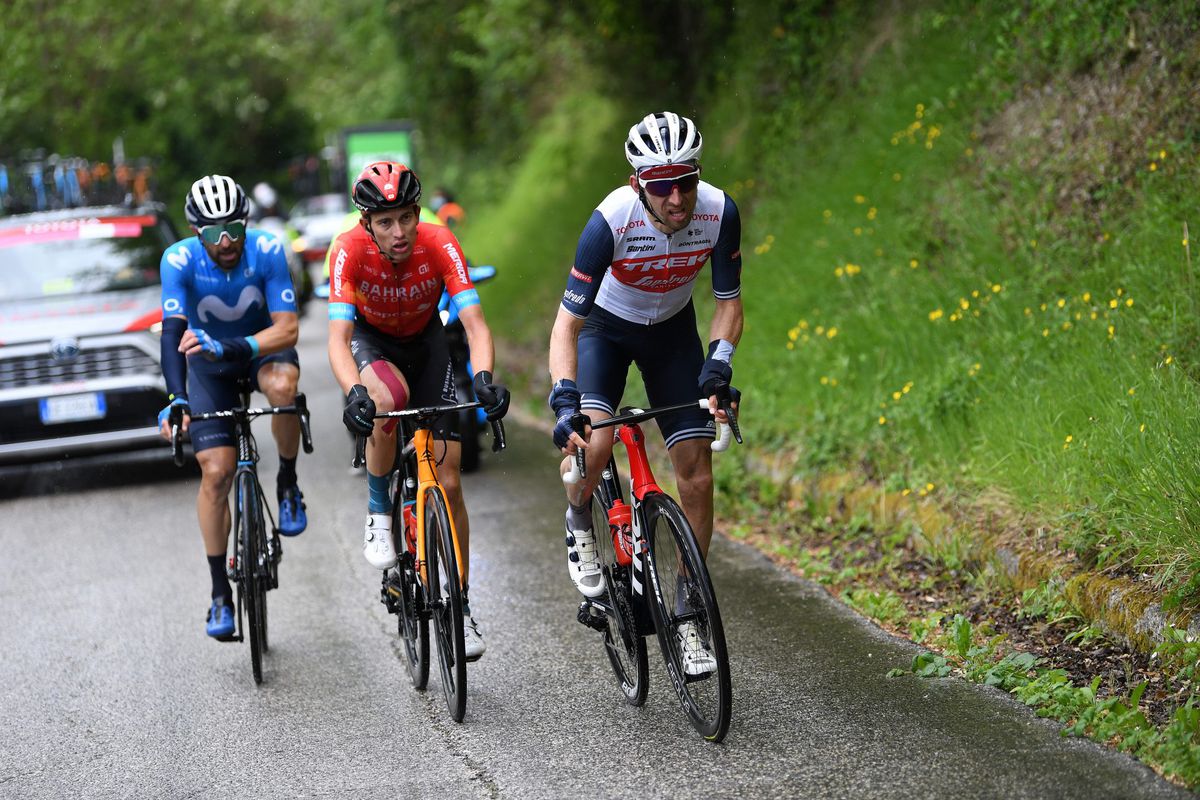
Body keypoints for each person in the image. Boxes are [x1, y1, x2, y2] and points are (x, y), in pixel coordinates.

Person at [546, 111, 743, 675]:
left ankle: (686, 613)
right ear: (639, 184)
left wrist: (719, 363)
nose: (678, 198)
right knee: (597, 443)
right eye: (662, 186)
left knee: (696, 469)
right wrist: (565, 395)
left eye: (686, 181)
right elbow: (567, 326)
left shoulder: (719, 211)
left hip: (674, 334)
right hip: (606, 330)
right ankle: (580, 518)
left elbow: (728, 302)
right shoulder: (609, 222)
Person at [327, 161, 509, 660]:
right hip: (374, 344)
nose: (399, 231)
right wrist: (352, 392)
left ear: (416, 212)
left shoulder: (439, 241)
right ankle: (379, 512)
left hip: (428, 344)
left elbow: (474, 324)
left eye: (406, 216)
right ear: (367, 222)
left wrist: (485, 379)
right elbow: (338, 340)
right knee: (386, 404)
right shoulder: (348, 250)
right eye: (385, 221)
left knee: (449, 482)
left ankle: (461, 605)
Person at [157, 174, 307, 639]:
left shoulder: (267, 250)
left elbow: (287, 329)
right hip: (208, 366)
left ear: (247, 224)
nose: (225, 242)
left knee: (283, 388)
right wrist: (177, 398)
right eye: (212, 233)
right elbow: (171, 333)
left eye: (234, 230)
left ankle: (286, 483)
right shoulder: (178, 259)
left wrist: (238, 347)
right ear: (194, 232)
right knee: (217, 472)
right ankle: (220, 592)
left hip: (261, 349)